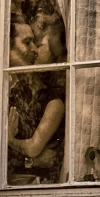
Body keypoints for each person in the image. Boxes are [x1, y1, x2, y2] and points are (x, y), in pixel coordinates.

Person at [7, 14, 65, 184]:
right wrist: (29, 160)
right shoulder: (17, 93)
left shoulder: (54, 103)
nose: (33, 49)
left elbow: (33, 149)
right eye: (28, 43)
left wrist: (9, 140)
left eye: (38, 44)